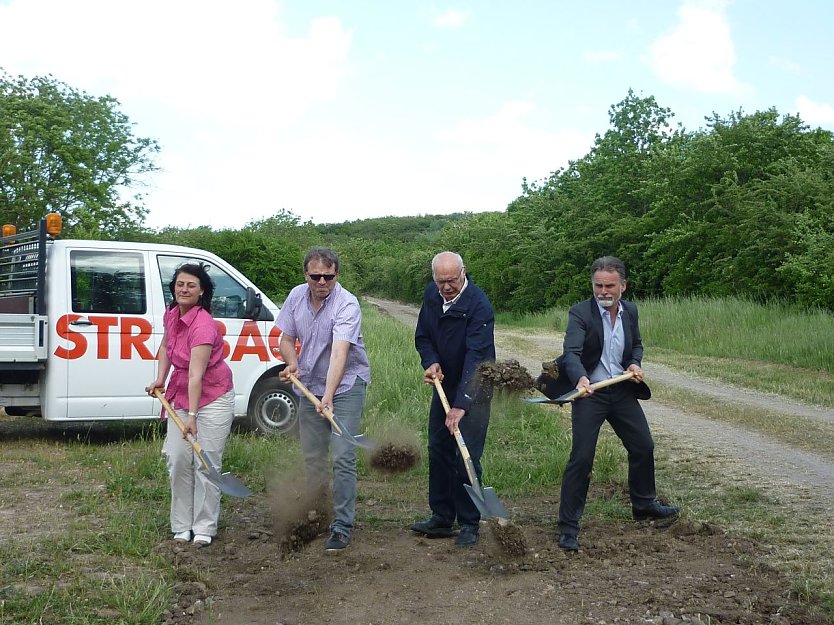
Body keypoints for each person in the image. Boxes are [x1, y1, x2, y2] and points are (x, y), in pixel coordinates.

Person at [551, 256, 679, 551]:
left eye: (610, 286)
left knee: (643, 446)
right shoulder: (580, 312)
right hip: (590, 393)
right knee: (582, 458)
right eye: (598, 286)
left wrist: (634, 364)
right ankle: (568, 526)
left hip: (620, 390)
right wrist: (581, 379)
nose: (603, 291)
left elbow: (636, 345)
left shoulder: (630, 311)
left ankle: (644, 504)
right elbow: (571, 352)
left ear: (623, 286)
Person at [276, 247, 371, 552]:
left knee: (343, 457)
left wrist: (328, 396)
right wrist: (292, 364)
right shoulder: (295, 297)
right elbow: (286, 338)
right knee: (313, 457)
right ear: (306, 275)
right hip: (308, 384)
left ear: (336, 275)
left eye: (328, 276)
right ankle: (318, 515)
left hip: (344, 387)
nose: (321, 282)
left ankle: (342, 525)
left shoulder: (347, 305)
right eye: (315, 276)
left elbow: (340, 353)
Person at [146, 263, 234, 548]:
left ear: (202, 291)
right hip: (180, 394)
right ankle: (182, 526)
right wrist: (160, 378)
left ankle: (204, 527)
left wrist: (193, 416)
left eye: (191, 285)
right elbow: (165, 347)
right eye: (180, 284)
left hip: (213, 397)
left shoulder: (203, 325)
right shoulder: (171, 314)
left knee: (205, 461)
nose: (184, 289)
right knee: (178, 458)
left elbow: (197, 374)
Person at [411, 251, 496, 547]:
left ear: (464, 274)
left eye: (452, 280)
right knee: (439, 447)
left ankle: (470, 522)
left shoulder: (479, 305)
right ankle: (441, 517)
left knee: (465, 452)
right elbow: (423, 336)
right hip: (444, 385)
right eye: (441, 281)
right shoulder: (432, 297)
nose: (447, 287)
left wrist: (462, 404)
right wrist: (430, 362)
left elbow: (477, 358)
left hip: (476, 387)